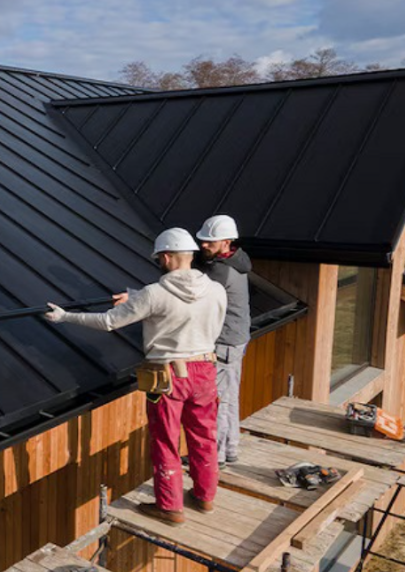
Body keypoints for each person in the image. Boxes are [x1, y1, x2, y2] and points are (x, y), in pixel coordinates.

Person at [45, 228, 226, 524]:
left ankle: (170, 507)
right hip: (206, 369)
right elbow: (182, 305)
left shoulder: (155, 294)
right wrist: (137, 296)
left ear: (165, 257)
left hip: (169, 375)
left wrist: (64, 316)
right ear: (190, 255)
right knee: (204, 435)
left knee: (166, 440)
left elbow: (107, 322)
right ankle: (205, 497)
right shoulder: (217, 289)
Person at [195, 215, 251, 467]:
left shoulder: (221, 271)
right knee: (229, 396)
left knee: (218, 401)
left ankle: (215, 458)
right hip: (235, 339)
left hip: (225, 342)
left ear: (226, 242)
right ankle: (230, 450)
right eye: (202, 240)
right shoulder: (236, 261)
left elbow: (192, 292)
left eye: (210, 241)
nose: (203, 245)